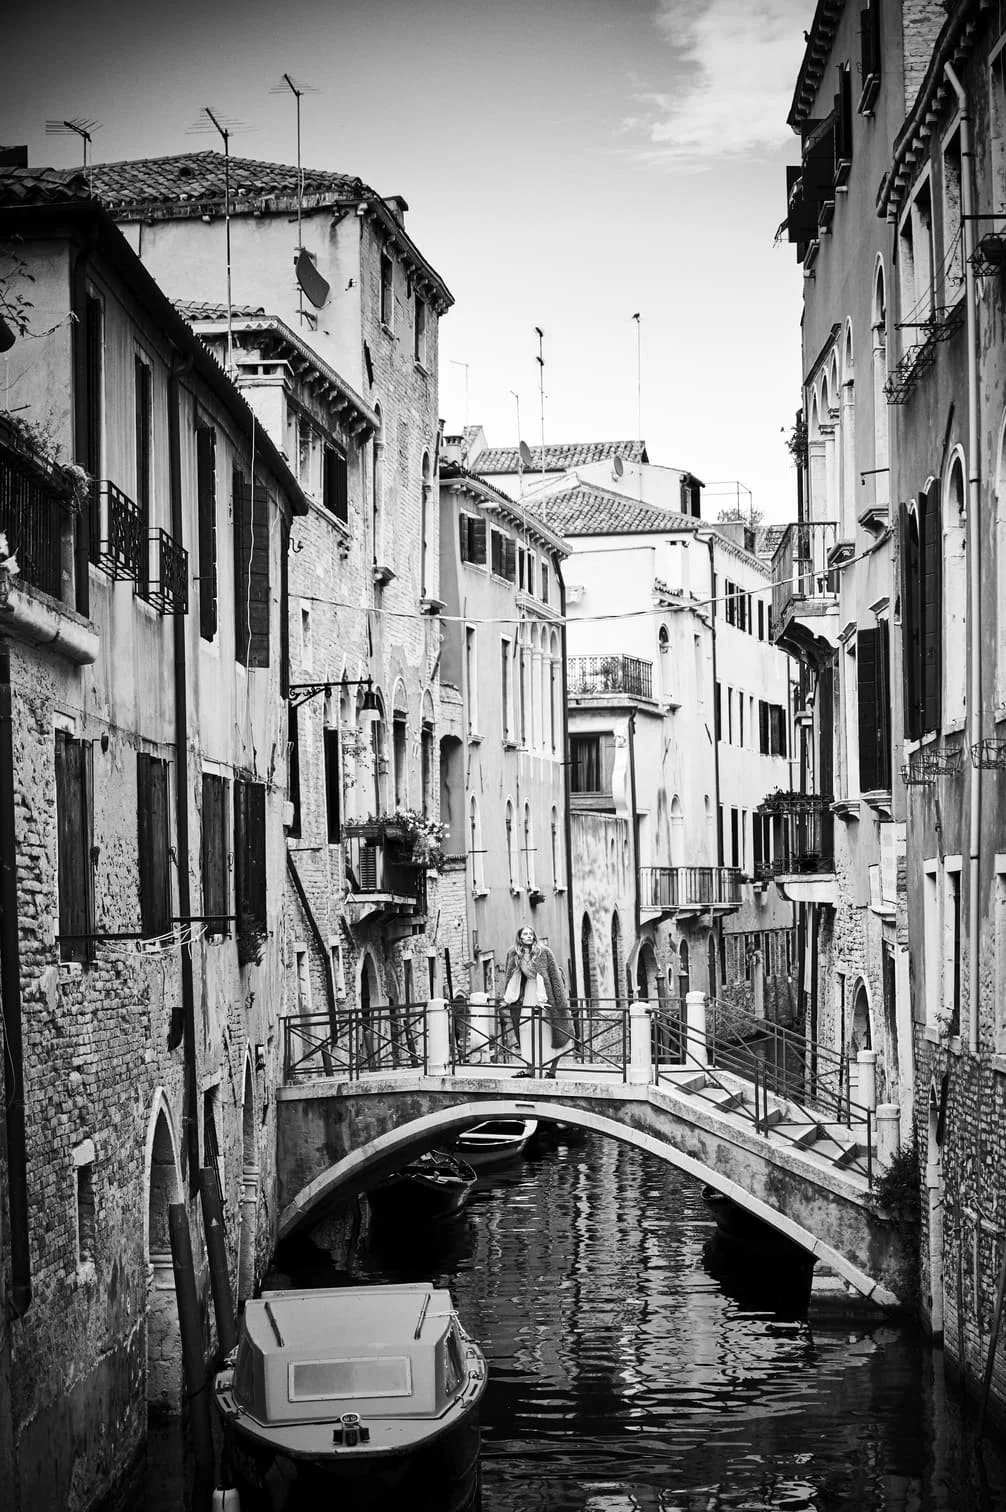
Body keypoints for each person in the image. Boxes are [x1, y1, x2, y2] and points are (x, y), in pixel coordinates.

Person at [501, 925, 573, 1078]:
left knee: (551, 1029)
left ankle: (552, 1070)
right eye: (524, 934)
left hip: (547, 995)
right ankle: (530, 1068)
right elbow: (512, 977)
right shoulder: (514, 953)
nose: (528, 936)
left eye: (530, 934)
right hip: (528, 993)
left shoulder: (544, 952)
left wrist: (560, 1001)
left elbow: (554, 976)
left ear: (534, 936)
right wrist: (508, 999)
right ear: (519, 937)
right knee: (526, 1029)